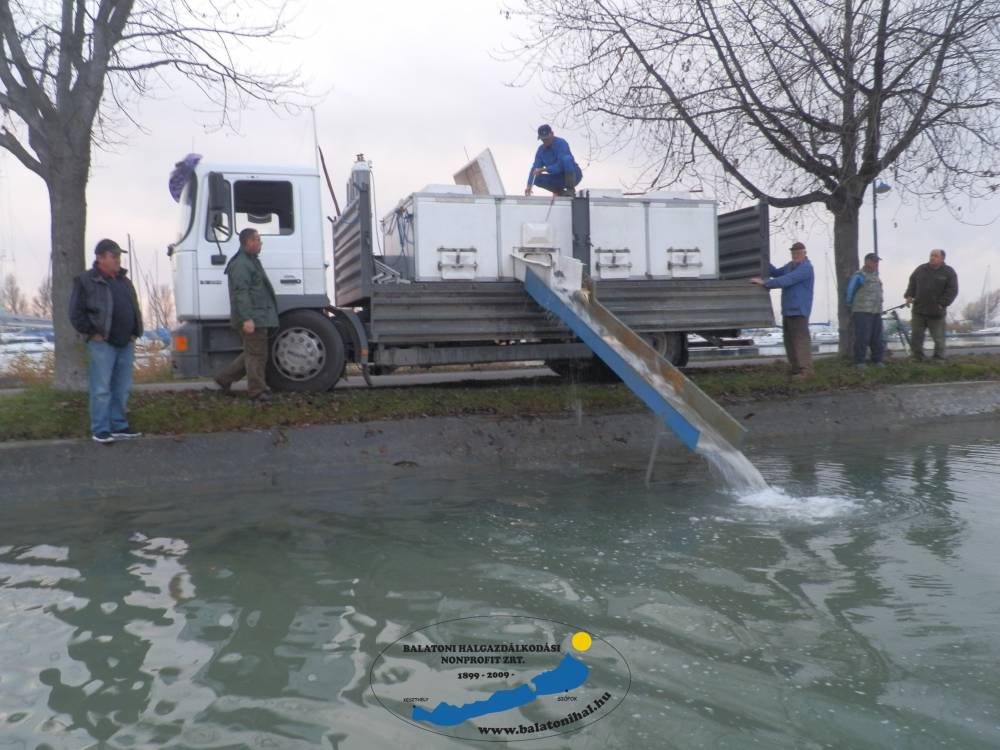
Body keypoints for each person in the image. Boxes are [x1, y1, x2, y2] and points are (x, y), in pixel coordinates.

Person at [69, 239, 144, 444]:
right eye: (114, 256)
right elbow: (76, 313)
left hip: (126, 341)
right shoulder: (86, 280)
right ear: (100, 258)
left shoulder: (124, 281)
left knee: (122, 387)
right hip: (103, 343)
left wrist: (135, 331)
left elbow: (133, 306)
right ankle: (100, 429)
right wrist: (92, 332)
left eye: (119, 255)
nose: (118, 260)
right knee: (101, 388)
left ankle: (119, 425)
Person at [214, 228, 279, 401]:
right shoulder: (242, 264)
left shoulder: (250, 261)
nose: (260, 244)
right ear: (248, 242)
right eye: (257, 240)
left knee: (252, 352)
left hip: (257, 316)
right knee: (257, 355)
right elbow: (241, 293)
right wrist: (247, 318)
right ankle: (257, 391)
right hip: (253, 318)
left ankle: (224, 379)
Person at [751, 241, 815, 377]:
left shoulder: (806, 268)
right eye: (793, 253)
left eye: (798, 253)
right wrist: (762, 260)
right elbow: (776, 273)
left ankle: (806, 371)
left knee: (800, 341)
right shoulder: (789, 266)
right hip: (788, 310)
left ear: (805, 253)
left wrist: (765, 283)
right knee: (789, 341)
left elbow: (787, 280)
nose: (795, 255)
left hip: (799, 310)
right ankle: (796, 369)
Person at [904, 248, 958, 361]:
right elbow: (912, 282)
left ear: (942, 258)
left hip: (936, 311)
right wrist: (909, 295)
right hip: (919, 310)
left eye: (935, 256)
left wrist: (942, 303)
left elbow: (952, 290)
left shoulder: (949, 272)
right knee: (916, 336)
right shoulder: (921, 269)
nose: (932, 257)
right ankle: (916, 357)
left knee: (938, 338)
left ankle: (939, 358)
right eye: (931, 255)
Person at [845, 253, 885, 368]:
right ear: (867, 262)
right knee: (862, 337)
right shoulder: (859, 276)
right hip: (862, 311)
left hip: (876, 311)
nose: (876, 264)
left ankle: (877, 360)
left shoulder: (877, 276)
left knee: (877, 337)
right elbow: (849, 292)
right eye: (874, 261)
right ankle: (859, 361)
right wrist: (849, 306)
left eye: (877, 261)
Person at [524, 124, 583, 197]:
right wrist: (529, 186)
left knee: (567, 159)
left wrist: (543, 169)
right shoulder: (541, 150)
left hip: (573, 176)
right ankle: (561, 193)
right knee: (535, 178)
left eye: (547, 139)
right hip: (557, 179)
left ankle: (570, 190)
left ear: (552, 134)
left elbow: (560, 166)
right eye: (543, 139)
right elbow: (535, 168)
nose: (545, 141)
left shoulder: (561, 143)